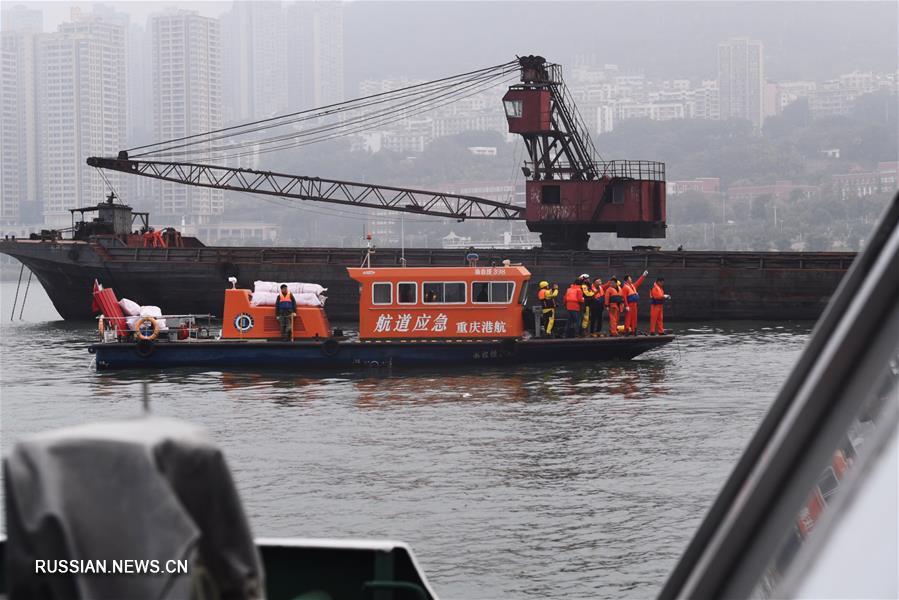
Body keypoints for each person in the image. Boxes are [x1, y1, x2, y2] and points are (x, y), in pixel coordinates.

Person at [622, 270, 649, 335]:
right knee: (628, 318)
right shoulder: (625, 287)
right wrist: (626, 306)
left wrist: (643, 276)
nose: (631, 279)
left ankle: (634, 330)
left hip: (634, 304)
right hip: (630, 304)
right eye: (630, 279)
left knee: (634, 318)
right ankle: (627, 330)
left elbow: (638, 282)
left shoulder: (632, 286)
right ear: (626, 280)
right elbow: (624, 297)